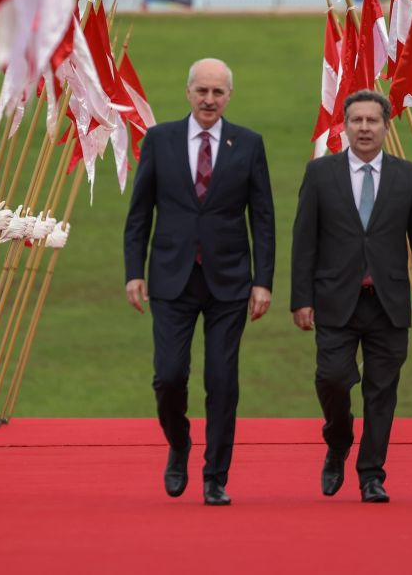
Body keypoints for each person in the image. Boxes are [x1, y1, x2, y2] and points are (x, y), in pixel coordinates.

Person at [123, 57, 275, 506]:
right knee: (169, 377)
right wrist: (134, 271)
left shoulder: (247, 144)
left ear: (229, 96)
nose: (209, 100)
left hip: (230, 282)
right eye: (202, 91)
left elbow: (263, 219)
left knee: (222, 380)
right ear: (188, 92)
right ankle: (178, 444)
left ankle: (215, 476)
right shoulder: (159, 140)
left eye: (218, 92)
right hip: (171, 279)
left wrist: (262, 280)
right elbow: (138, 214)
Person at [290, 89, 412, 503]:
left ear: (386, 127)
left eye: (373, 121)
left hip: (388, 303)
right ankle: (338, 440)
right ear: (345, 125)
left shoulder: (407, 176)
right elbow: (304, 241)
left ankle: (372, 473)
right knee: (333, 378)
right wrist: (300, 298)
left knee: (382, 391)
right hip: (335, 301)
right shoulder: (321, 174)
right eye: (356, 120)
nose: (364, 128)